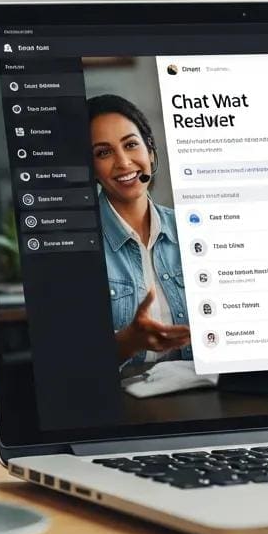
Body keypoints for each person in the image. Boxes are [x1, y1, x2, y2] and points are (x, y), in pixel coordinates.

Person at [88, 94, 191, 367]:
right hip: (125, 391)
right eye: (103, 152)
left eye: (131, 144)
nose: (123, 162)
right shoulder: (80, 245)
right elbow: (74, 360)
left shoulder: (190, 229)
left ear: (150, 151)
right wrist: (128, 342)